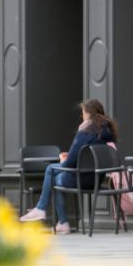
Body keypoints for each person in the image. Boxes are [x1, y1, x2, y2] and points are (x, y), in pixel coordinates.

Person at [19, 98, 117, 234]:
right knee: (56, 175)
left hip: (80, 179)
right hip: (97, 178)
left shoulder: (85, 132)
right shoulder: (107, 132)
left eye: (83, 113)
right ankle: (61, 222)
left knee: (51, 171)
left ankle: (43, 210)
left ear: (88, 114)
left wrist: (64, 161)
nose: (82, 116)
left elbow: (71, 162)